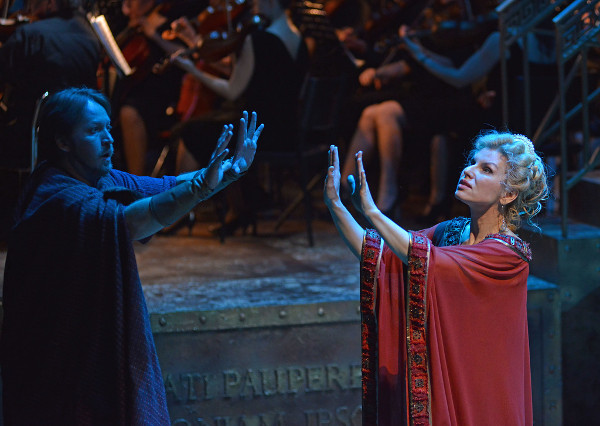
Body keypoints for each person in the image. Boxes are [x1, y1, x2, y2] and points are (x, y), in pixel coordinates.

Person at [0, 87, 263, 424]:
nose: (109, 139)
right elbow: (131, 221)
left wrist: (228, 171)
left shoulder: (98, 176)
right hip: (52, 366)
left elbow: (166, 187)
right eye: (94, 131)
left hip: (80, 359)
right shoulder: (56, 196)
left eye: (109, 128)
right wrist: (201, 188)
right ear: (63, 142)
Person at [324, 130, 548, 425]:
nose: (468, 171)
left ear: (508, 194)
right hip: (443, 387)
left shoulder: (508, 257)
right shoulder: (450, 232)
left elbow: (426, 259)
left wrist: (373, 211)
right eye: (472, 163)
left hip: (484, 398)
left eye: (486, 169)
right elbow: (380, 259)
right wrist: (336, 205)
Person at [170, 0, 309, 236]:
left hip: (256, 133)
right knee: (218, 128)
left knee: (191, 131)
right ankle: (238, 210)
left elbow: (232, 90)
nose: (253, 4)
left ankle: (178, 212)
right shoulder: (299, 39)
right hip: (286, 132)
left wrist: (192, 69)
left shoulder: (257, 40)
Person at [0, 0, 101, 167]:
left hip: (32, 135)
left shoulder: (31, 35)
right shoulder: (90, 36)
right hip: (79, 136)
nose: (29, 7)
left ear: (51, 3)